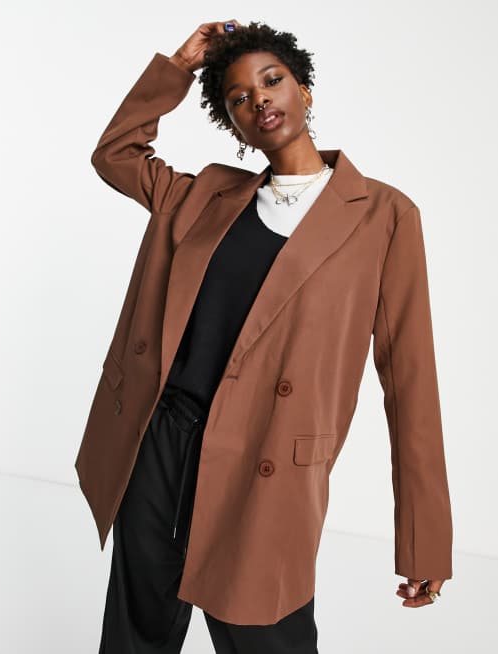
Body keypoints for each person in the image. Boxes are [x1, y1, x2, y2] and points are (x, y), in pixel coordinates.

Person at [77, 18, 452, 654]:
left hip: (268, 462)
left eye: (272, 81)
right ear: (234, 126)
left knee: (267, 639)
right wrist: (179, 66)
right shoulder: (203, 196)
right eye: (239, 98)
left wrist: (424, 540)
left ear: (304, 90)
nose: (260, 100)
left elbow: (410, 381)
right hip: (163, 445)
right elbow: (115, 155)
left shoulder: (384, 215)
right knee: (135, 637)